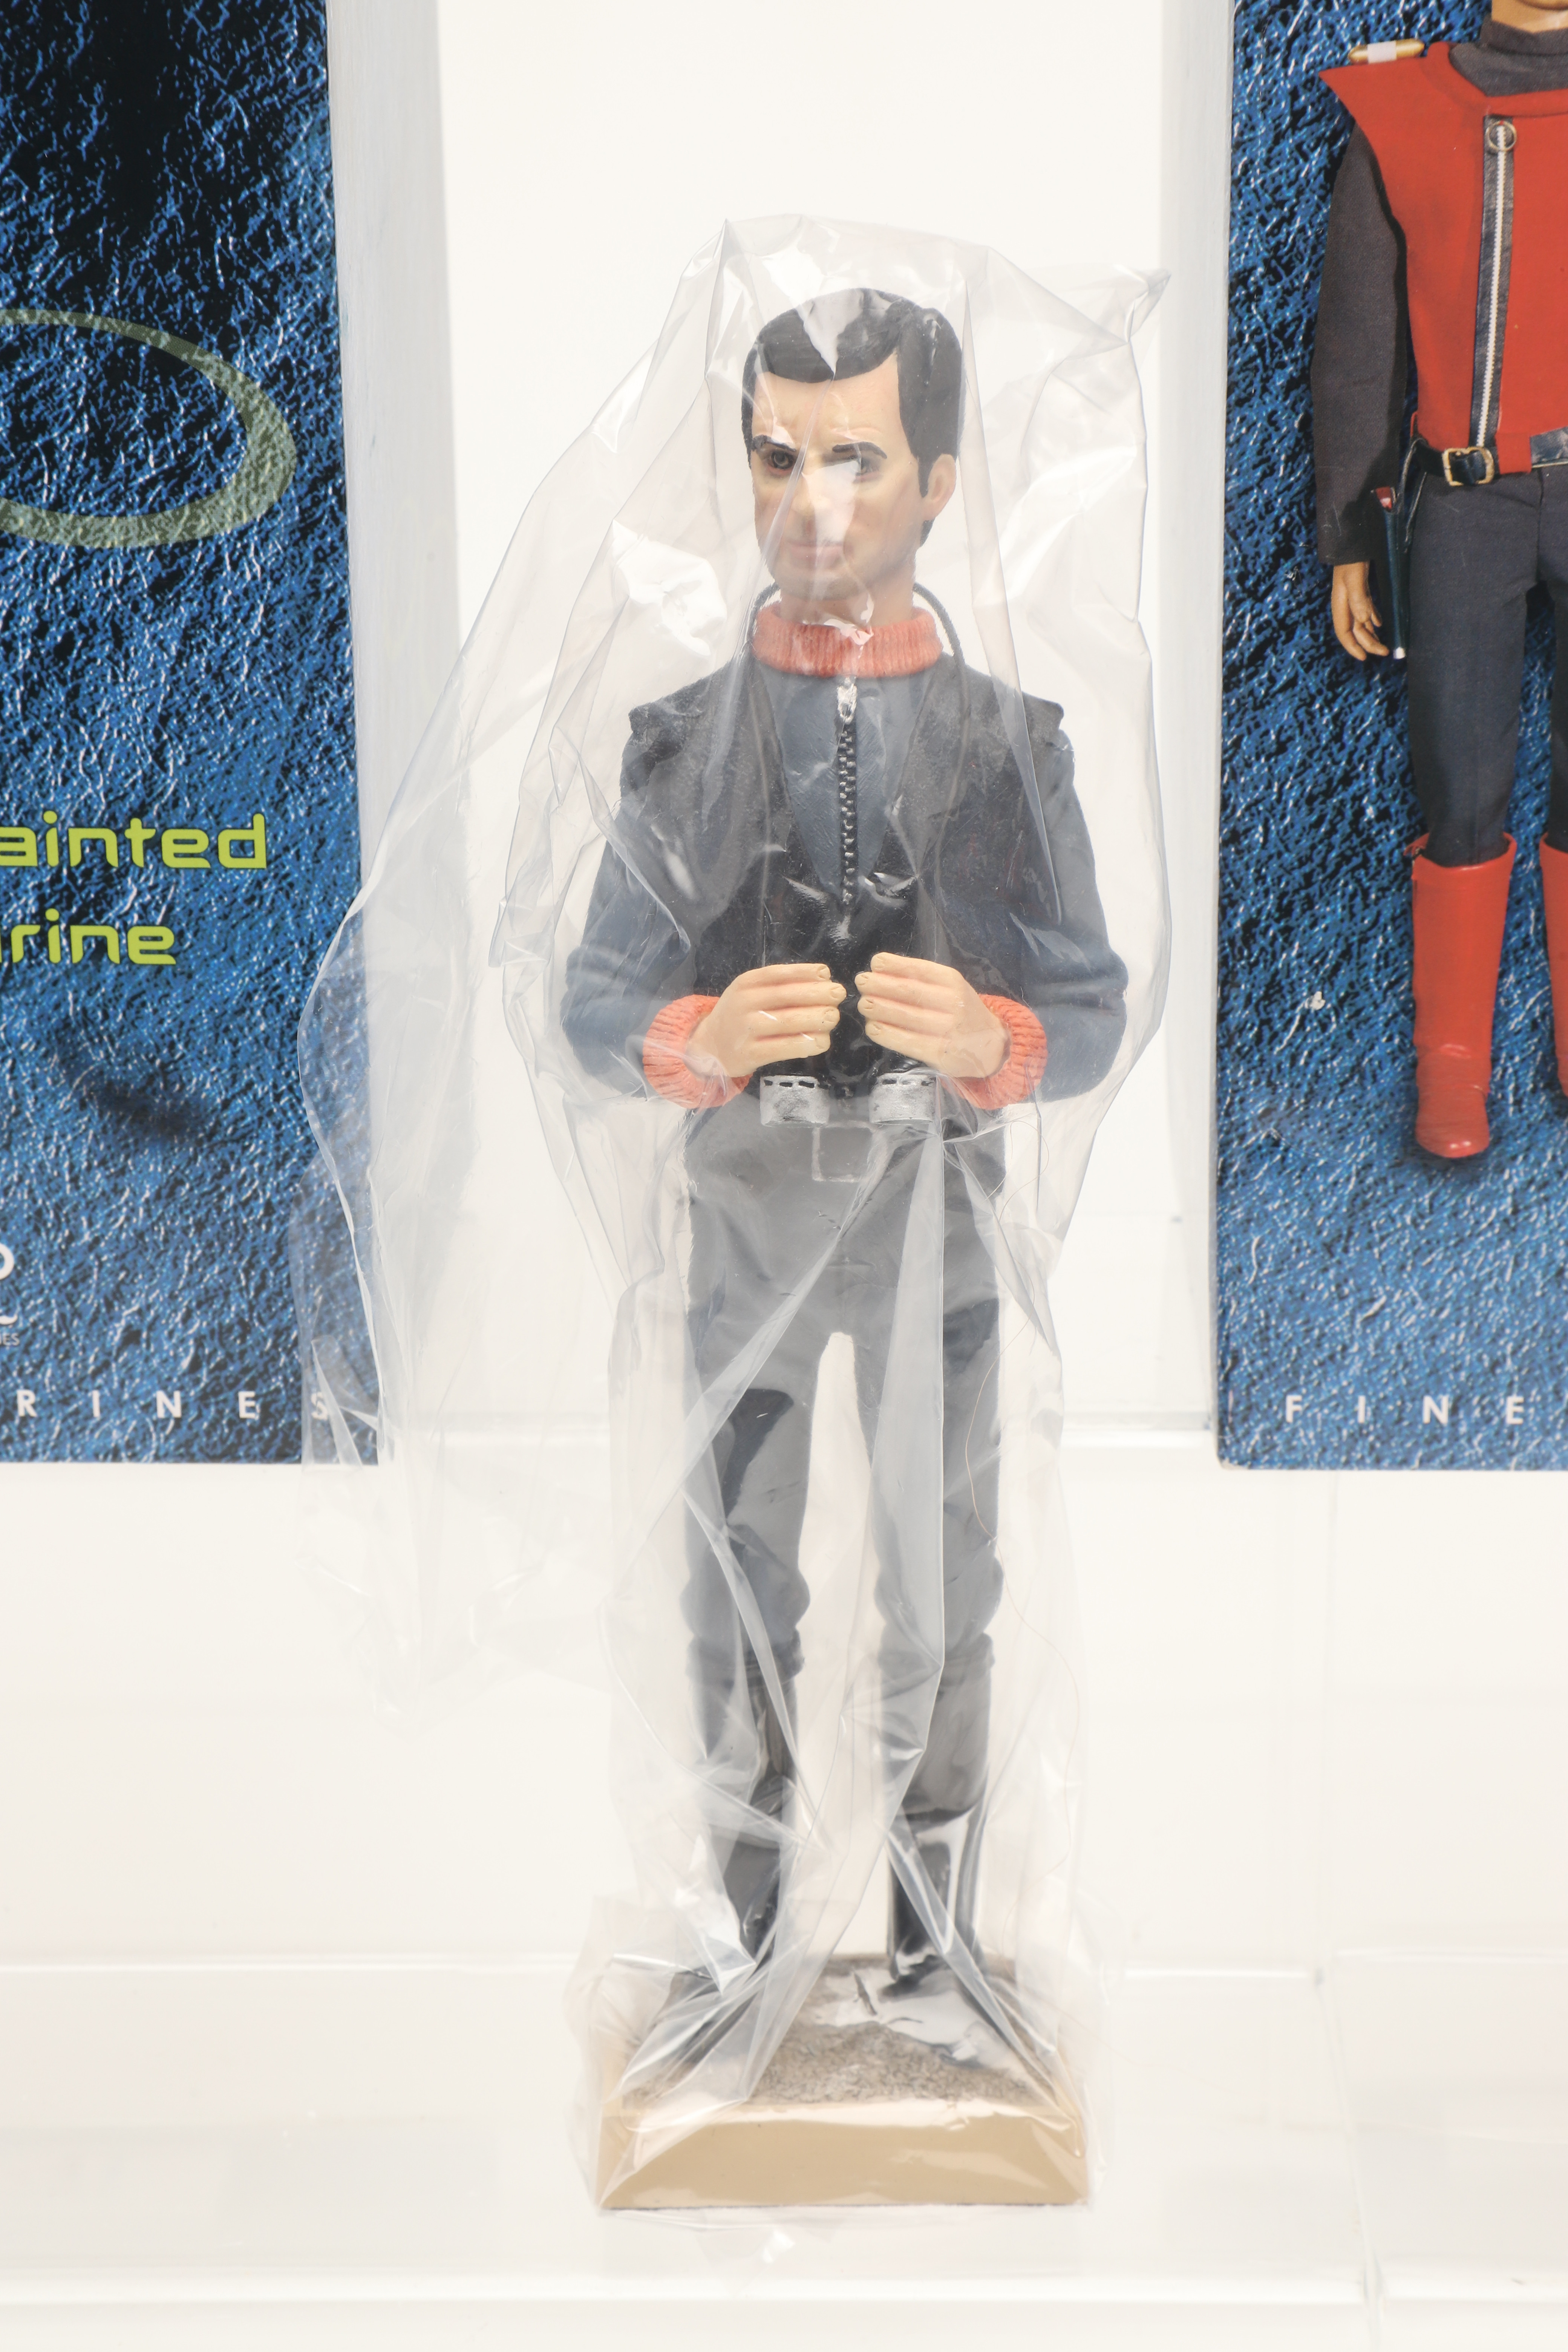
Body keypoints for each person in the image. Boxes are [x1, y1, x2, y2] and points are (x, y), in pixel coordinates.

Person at [560, 289, 1125, 2041]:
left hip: (935, 1229)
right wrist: (698, 1036)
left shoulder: (1008, 742)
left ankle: (935, 1951)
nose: (810, 502)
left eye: (856, 459)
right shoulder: (683, 741)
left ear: (938, 481)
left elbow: (1090, 1002)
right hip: (743, 1220)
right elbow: (591, 1000)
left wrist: (994, 1038)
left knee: (943, 1590)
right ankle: (737, 1946)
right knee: (733, 1587)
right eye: (777, 456)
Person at [1313, 1, 1568, 1158]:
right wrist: (1349, 537)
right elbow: (1358, 345)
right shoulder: (1403, 105)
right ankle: (1454, 1071)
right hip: (1465, 501)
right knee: (1459, 783)